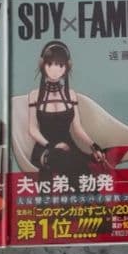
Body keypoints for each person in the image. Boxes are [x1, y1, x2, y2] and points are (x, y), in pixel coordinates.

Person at [27, 40, 105, 184]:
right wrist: (51, 146)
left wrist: (94, 147)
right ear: (43, 65)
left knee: (81, 166)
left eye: (60, 65)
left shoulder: (71, 95)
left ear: (66, 67)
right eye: (50, 64)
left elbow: (78, 128)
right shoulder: (34, 95)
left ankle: (90, 196)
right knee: (68, 161)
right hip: (45, 148)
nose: (55, 70)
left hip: (69, 146)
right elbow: (32, 129)